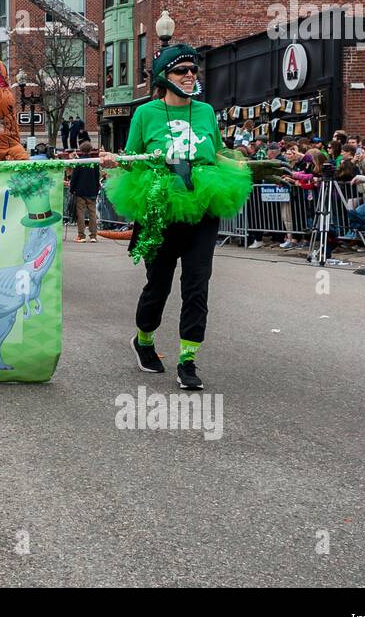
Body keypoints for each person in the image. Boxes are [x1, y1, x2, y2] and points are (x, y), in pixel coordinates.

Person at [99, 44, 253, 391]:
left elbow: (214, 154)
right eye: (181, 70)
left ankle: (187, 360)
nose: (189, 75)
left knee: (197, 284)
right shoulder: (146, 114)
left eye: (193, 70)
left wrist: (243, 165)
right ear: (164, 77)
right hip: (160, 208)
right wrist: (115, 160)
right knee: (159, 284)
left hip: (202, 206)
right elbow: (133, 157)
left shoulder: (206, 112)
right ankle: (144, 340)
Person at [68, 144, 100, 242]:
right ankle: (93, 236)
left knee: (80, 213)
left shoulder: (79, 162)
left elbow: (74, 178)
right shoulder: (94, 162)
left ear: (81, 150)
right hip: (92, 191)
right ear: (90, 150)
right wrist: (96, 188)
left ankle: (81, 236)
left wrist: (71, 189)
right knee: (92, 213)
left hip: (80, 191)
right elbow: (97, 177)